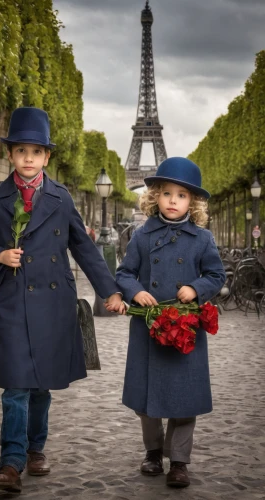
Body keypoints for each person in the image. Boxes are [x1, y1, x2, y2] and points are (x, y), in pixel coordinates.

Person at [0, 107, 123, 493]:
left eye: (36, 152)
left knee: (40, 388)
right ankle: (11, 461)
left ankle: (36, 448)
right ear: (10, 154)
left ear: (46, 157)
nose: (28, 158)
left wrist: (110, 291)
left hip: (54, 304)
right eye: (21, 150)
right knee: (16, 384)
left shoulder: (61, 197)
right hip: (13, 301)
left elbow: (85, 249)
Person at [115, 157, 225, 488]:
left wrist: (196, 287)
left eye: (181, 195)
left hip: (185, 328)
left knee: (183, 398)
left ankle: (179, 460)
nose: (173, 200)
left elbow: (216, 274)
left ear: (192, 202)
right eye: (167, 193)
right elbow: (124, 272)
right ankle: (152, 452)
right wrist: (136, 292)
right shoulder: (142, 235)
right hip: (149, 328)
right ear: (155, 197)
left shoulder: (202, 239)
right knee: (147, 402)